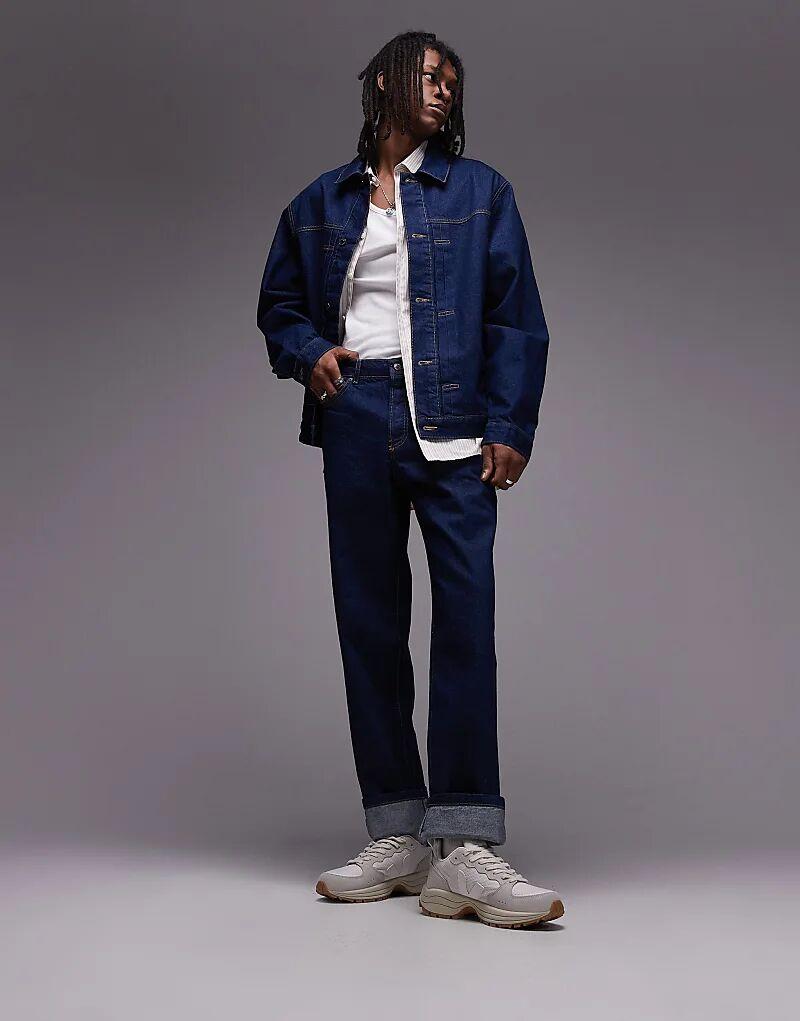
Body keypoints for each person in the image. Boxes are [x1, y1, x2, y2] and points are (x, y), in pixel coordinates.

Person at [257, 31, 563, 929]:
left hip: (454, 420)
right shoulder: (321, 202)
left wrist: (510, 424)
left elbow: (517, 316)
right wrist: (310, 352)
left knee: (465, 622)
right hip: (357, 415)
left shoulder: (480, 193)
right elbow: (279, 305)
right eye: (429, 76)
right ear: (386, 81)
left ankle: (464, 845)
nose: (442, 92)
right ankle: (395, 830)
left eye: (451, 84)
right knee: (370, 622)